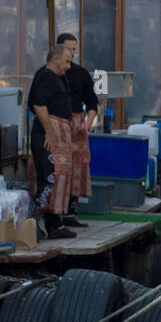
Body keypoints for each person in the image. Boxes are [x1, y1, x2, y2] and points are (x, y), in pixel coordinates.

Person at [26, 46, 75, 239]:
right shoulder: (46, 76)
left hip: (59, 131)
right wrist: (50, 131)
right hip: (48, 135)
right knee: (50, 178)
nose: (69, 66)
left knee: (59, 177)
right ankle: (35, 222)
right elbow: (38, 104)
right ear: (55, 59)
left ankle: (54, 223)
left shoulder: (56, 77)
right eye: (66, 61)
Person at [58, 33, 98, 228]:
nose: (72, 54)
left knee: (77, 166)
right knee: (60, 166)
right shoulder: (51, 73)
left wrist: (88, 122)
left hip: (77, 122)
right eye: (69, 49)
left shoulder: (81, 73)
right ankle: (56, 212)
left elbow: (92, 101)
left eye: (75, 49)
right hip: (58, 123)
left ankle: (72, 210)